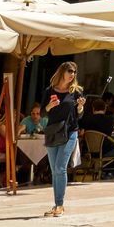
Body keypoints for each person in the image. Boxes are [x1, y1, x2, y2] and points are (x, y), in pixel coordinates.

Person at [43, 61, 83, 218]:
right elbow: (43, 113)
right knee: (54, 170)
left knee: (60, 168)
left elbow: (79, 115)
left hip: (69, 132)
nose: (72, 74)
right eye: (70, 71)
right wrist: (50, 106)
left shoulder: (76, 92)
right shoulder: (49, 91)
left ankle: (60, 204)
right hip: (53, 132)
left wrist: (80, 107)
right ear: (62, 72)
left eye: (74, 71)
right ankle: (56, 205)